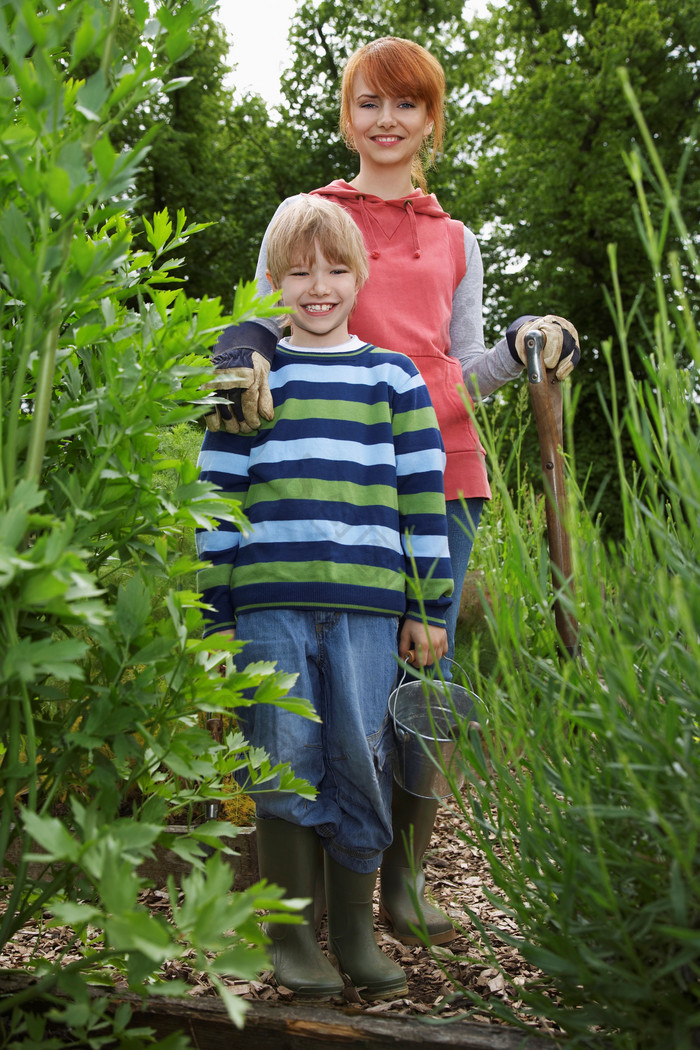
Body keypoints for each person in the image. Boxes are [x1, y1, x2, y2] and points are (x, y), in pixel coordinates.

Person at [204, 36, 581, 949]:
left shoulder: (457, 238)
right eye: (368, 102)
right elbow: (261, 324)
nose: (386, 120)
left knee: (426, 674)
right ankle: (319, 908)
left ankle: (403, 889)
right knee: (325, 686)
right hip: (325, 473)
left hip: (440, 471)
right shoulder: (306, 217)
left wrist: (527, 338)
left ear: (431, 121)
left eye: (405, 105)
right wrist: (234, 349)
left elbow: (464, 363)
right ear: (348, 116)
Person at [196, 193, 453, 1000]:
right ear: (272, 280)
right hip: (270, 604)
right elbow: (218, 499)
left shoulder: (393, 378)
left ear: (360, 276)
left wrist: (429, 607)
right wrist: (216, 615)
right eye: (298, 270)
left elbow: (422, 498)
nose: (318, 285)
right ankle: (292, 941)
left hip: (370, 611)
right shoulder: (250, 380)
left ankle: (354, 934)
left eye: (336, 268)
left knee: (362, 757)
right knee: (285, 758)